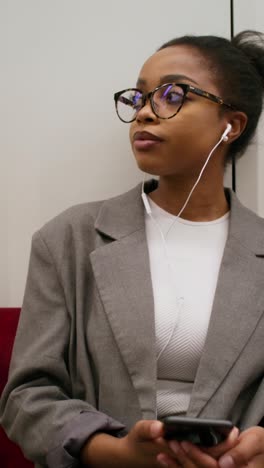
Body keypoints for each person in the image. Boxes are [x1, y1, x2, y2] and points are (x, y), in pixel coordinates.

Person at [0, 30, 264, 468]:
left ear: (230, 125)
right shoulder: (69, 239)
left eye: (171, 95)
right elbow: (27, 396)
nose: (144, 113)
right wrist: (118, 452)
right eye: (139, 98)